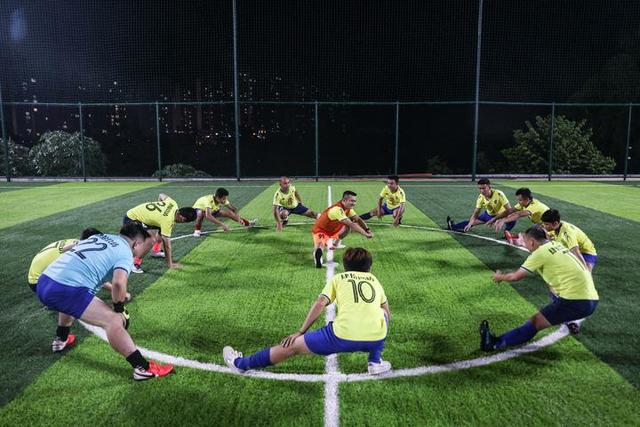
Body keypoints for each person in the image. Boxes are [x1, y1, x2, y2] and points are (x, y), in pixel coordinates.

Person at [36, 223, 174, 380]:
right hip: (65, 289)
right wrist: (119, 307)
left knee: (70, 303)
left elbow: (69, 250)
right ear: (136, 243)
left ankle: (60, 339)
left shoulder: (98, 236)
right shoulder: (125, 253)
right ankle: (142, 368)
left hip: (44, 281)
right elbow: (118, 283)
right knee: (114, 320)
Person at [223, 247, 391, 375]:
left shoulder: (339, 278)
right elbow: (387, 313)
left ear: (346, 267)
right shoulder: (375, 280)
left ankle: (240, 364)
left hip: (340, 335)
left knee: (291, 347)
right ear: (369, 267)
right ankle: (375, 361)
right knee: (382, 313)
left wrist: (300, 331)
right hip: (376, 338)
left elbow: (320, 303)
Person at [480, 225, 599, 351]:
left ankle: (493, 344)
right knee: (553, 294)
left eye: (525, 242)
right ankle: (569, 320)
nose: (524, 245)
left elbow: (515, 276)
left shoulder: (539, 253)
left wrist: (500, 277)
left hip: (576, 301)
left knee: (535, 322)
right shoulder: (557, 245)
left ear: (532, 242)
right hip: (591, 298)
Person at [28, 228, 130, 302]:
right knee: (78, 294)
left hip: (37, 274)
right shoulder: (74, 255)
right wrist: (118, 291)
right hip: (38, 282)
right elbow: (90, 275)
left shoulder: (77, 243)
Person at [124, 193, 197, 273]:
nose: (182, 222)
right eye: (183, 220)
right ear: (180, 216)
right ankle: (134, 263)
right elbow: (167, 246)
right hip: (131, 219)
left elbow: (161, 195)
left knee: (161, 230)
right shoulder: (167, 221)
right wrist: (170, 264)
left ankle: (156, 251)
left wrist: (158, 211)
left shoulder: (173, 203)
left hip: (140, 216)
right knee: (150, 240)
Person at [312, 191, 373, 268]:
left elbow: (358, 219)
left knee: (347, 227)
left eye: (355, 201)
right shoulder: (337, 209)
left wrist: (367, 229)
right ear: (344, 200)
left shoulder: (348, 209)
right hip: (321, 229)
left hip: (334, 229)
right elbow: (352, 224)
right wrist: (365, 234)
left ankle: (335, 244)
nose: (354, 203)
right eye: (352, 201)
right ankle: (318, 258)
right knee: (320, 245)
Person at [446, 178, 515, 233]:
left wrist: (500, 219)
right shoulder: (481, 197)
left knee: (513, 217)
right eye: (480, 188)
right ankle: (453, 226)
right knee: (470, 223)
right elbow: (476, 212)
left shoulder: (499, 194)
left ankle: (506, 232)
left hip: (501, 215)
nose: (482, 191)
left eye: (484, 188)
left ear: (489, 187)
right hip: (488, 216)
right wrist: (470, 223)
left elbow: (509, 210)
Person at [192, 188, 257, 237]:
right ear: (217, 197)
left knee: (229, 213)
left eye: (225, 198)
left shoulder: (222, 199)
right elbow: (208, 216)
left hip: (213, 210)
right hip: (198, 210)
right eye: (223, 199)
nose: (224, 200)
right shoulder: (208, 200)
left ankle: (248, 223)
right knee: (201, 213)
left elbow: (234, 209)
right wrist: (223, 225)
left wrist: (239, 219)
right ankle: (197, 230)